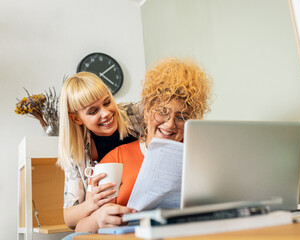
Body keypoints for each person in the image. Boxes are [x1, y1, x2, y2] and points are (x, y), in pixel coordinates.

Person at [75, 58, 213, 233]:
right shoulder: (116, 159)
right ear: (146, 111)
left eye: (181, 117)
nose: (170, 124)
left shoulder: (200, 157)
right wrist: (98, 217)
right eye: (163, 112)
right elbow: (80, 229)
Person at [57, 72, 143, 229]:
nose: (106, 113)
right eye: (93, 111)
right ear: (76, 119)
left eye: (107, 102)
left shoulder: (136, 114)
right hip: (112, 220)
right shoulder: (77, 152)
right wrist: (92, 203)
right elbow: (69, 219)